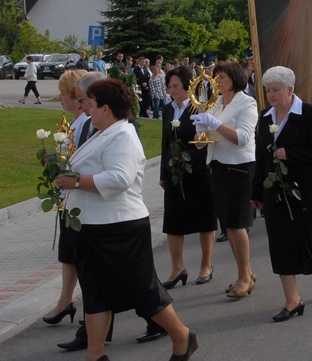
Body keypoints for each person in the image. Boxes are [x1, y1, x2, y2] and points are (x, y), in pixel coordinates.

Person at [56, 79, 197, 361]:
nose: (86, 109)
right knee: (95, 293)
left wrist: (76, 182)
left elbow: (120, 178)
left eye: (91, 105)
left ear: (106, 108)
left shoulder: (123, 135)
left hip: (120, 230)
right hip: (91, 228)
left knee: (144, 293)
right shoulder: (102, 132)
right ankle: (95, 355)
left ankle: (182, 336)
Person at [252, 67, 312, 322]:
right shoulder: (266, 117)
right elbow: (262, 158)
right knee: (280, 242)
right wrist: (257, 191)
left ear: (290, 90)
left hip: (310, 189)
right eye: (268, 90)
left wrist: (291, 154)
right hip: (276, 192)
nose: (271, 95)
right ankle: (292, 299)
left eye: (276, 90)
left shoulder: (310, 113)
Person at [190, 61, 258, 299]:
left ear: (235, 79)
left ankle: (243, 276)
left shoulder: (246, 102)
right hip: (218, 166)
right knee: (228, 225)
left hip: (239, 167)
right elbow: (202, 141)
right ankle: (246, 272)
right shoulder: (217, 102)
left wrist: (216, 124)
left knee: (237, 224)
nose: (218, 81)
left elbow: (242, 137)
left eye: (223, 77)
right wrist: (200, 131)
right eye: (216, 77)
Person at [160, 67, 217, 289]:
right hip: (174, 173)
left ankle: (206, 265)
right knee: (173, 222)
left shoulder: (199, 107)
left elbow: (206, 139)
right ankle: (177, 268)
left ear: (186, 84)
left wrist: (190, 158)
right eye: (169, 86)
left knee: (204, 218)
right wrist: (164, 173)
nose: (171, 90)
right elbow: (165, 143)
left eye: (175, 86)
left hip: (198, 170)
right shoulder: (167, 109)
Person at [43, 69, 89, 327]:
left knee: (76, 252)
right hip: (67, 194)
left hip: (78, 196)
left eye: (63, 93)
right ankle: (65, 300)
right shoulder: (73, 122)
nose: (60, 98)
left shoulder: (84, 123)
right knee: (68, 252)